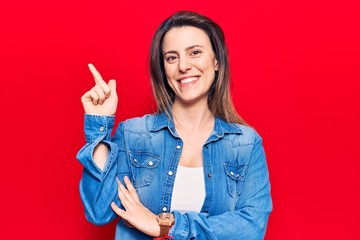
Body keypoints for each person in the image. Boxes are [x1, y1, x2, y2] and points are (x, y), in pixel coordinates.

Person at [77, 11, 272, 240]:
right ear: (164, 69)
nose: (183, 66)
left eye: (195, 53)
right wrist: (99, 127)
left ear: (216, 61)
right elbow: (98, 212)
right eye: (172, 57)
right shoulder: (133, 135)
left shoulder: (245, 144)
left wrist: (165, 226)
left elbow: (251, 228)